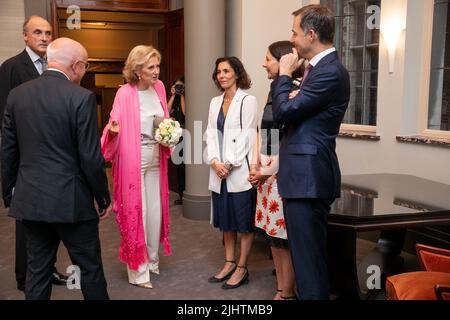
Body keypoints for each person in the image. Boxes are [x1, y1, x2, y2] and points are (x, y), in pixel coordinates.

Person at [1, 37, 112, 300]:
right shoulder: (81, 97)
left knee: (37, 271)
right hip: (72, 202)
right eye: (85, 66)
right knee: (90, 270)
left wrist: (10, 194)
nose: (84, 73)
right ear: (75, 66)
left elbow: (8, 150)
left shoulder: (18, 95)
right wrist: (102, 197)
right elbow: (90, 156)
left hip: (31, 200)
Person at [271, 5, 350, 300]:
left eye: (294, 32)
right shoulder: (317, 71)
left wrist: (283, 75)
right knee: (307, 262)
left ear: (311, 34)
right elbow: (292, 111)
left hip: (309, 179)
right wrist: (291, 94)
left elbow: (283, 112)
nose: (291, 39)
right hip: (302, 178)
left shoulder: (329, 72)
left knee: (309, 266)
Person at [0, 15, 67, 292]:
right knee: (27, 222)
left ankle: (47, 270)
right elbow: (6, 120)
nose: (44, 37)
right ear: (25, 36)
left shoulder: (55, 68)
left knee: (50, 220)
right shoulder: (11, 68)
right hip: (26, 158)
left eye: (48, 33)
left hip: (53, 157)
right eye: (37, 32)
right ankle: (25, 278)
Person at [101, 45, 171, 289]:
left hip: (156, 157)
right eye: (151, 67)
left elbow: (164, 119)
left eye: (157, 66)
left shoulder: (159, 88)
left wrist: (169, 131)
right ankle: (137, 269)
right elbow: (114, 122)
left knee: (155, 211)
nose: (156, 71)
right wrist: (112, 131)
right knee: (136, 213)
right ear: (137, 70)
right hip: (134, 157)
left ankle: (151, 259)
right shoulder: (125, 93)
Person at [249, 41, 304, 300]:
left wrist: (269, 171)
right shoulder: (275, 90)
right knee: (274, 238)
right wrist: (257, 163)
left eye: (268, 58)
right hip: (267, 172)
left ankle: (286, 293)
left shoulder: (293, 91)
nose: (264, 63)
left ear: (283, 62)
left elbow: (290, 140)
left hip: (282, 174)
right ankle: (282, 289)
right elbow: (267, 132)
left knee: (284, 239)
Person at [206, 56, 258, 289]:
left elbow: (248, 135)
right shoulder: (214, 102)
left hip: (239, 173)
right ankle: (228, 262)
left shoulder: (248, 100)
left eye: (226, 71)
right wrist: (214, 161)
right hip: (219, 173)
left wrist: (228, 163)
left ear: (237, 73)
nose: (222, 75)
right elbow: (209, 134)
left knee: (243, 223)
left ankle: (242, 267)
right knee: (226, 223)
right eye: (219, 72)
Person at [167, 76, 185, 205]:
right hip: (176, 138)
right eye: (177, 86)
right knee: (178, 168)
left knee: (185, 168)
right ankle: (181, 195)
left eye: (181, 86)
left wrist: (182, 95)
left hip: (187, 136)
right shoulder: (174, 100)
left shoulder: (186, 99)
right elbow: (166, 112)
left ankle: (186, 195)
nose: (179, 88)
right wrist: (173, 95)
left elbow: (185, 113)